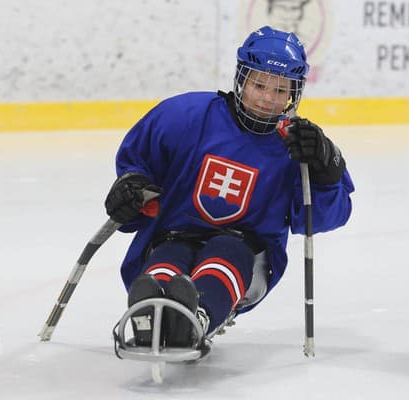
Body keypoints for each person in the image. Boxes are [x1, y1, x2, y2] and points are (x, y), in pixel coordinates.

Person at [106, 26, 354, 350]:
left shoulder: (299, 146)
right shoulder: (185, 116)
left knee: (227, 253)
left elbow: (322, 219)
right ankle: (150, 312)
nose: (267, 97)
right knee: (169, 254)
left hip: (247, 256)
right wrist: (131, 189)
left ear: (294, 92)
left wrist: (326, 171)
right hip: (172, 234)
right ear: (241, 79)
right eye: (259, 84)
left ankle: (196, 318)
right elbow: (138, 163)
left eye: (280, 90)